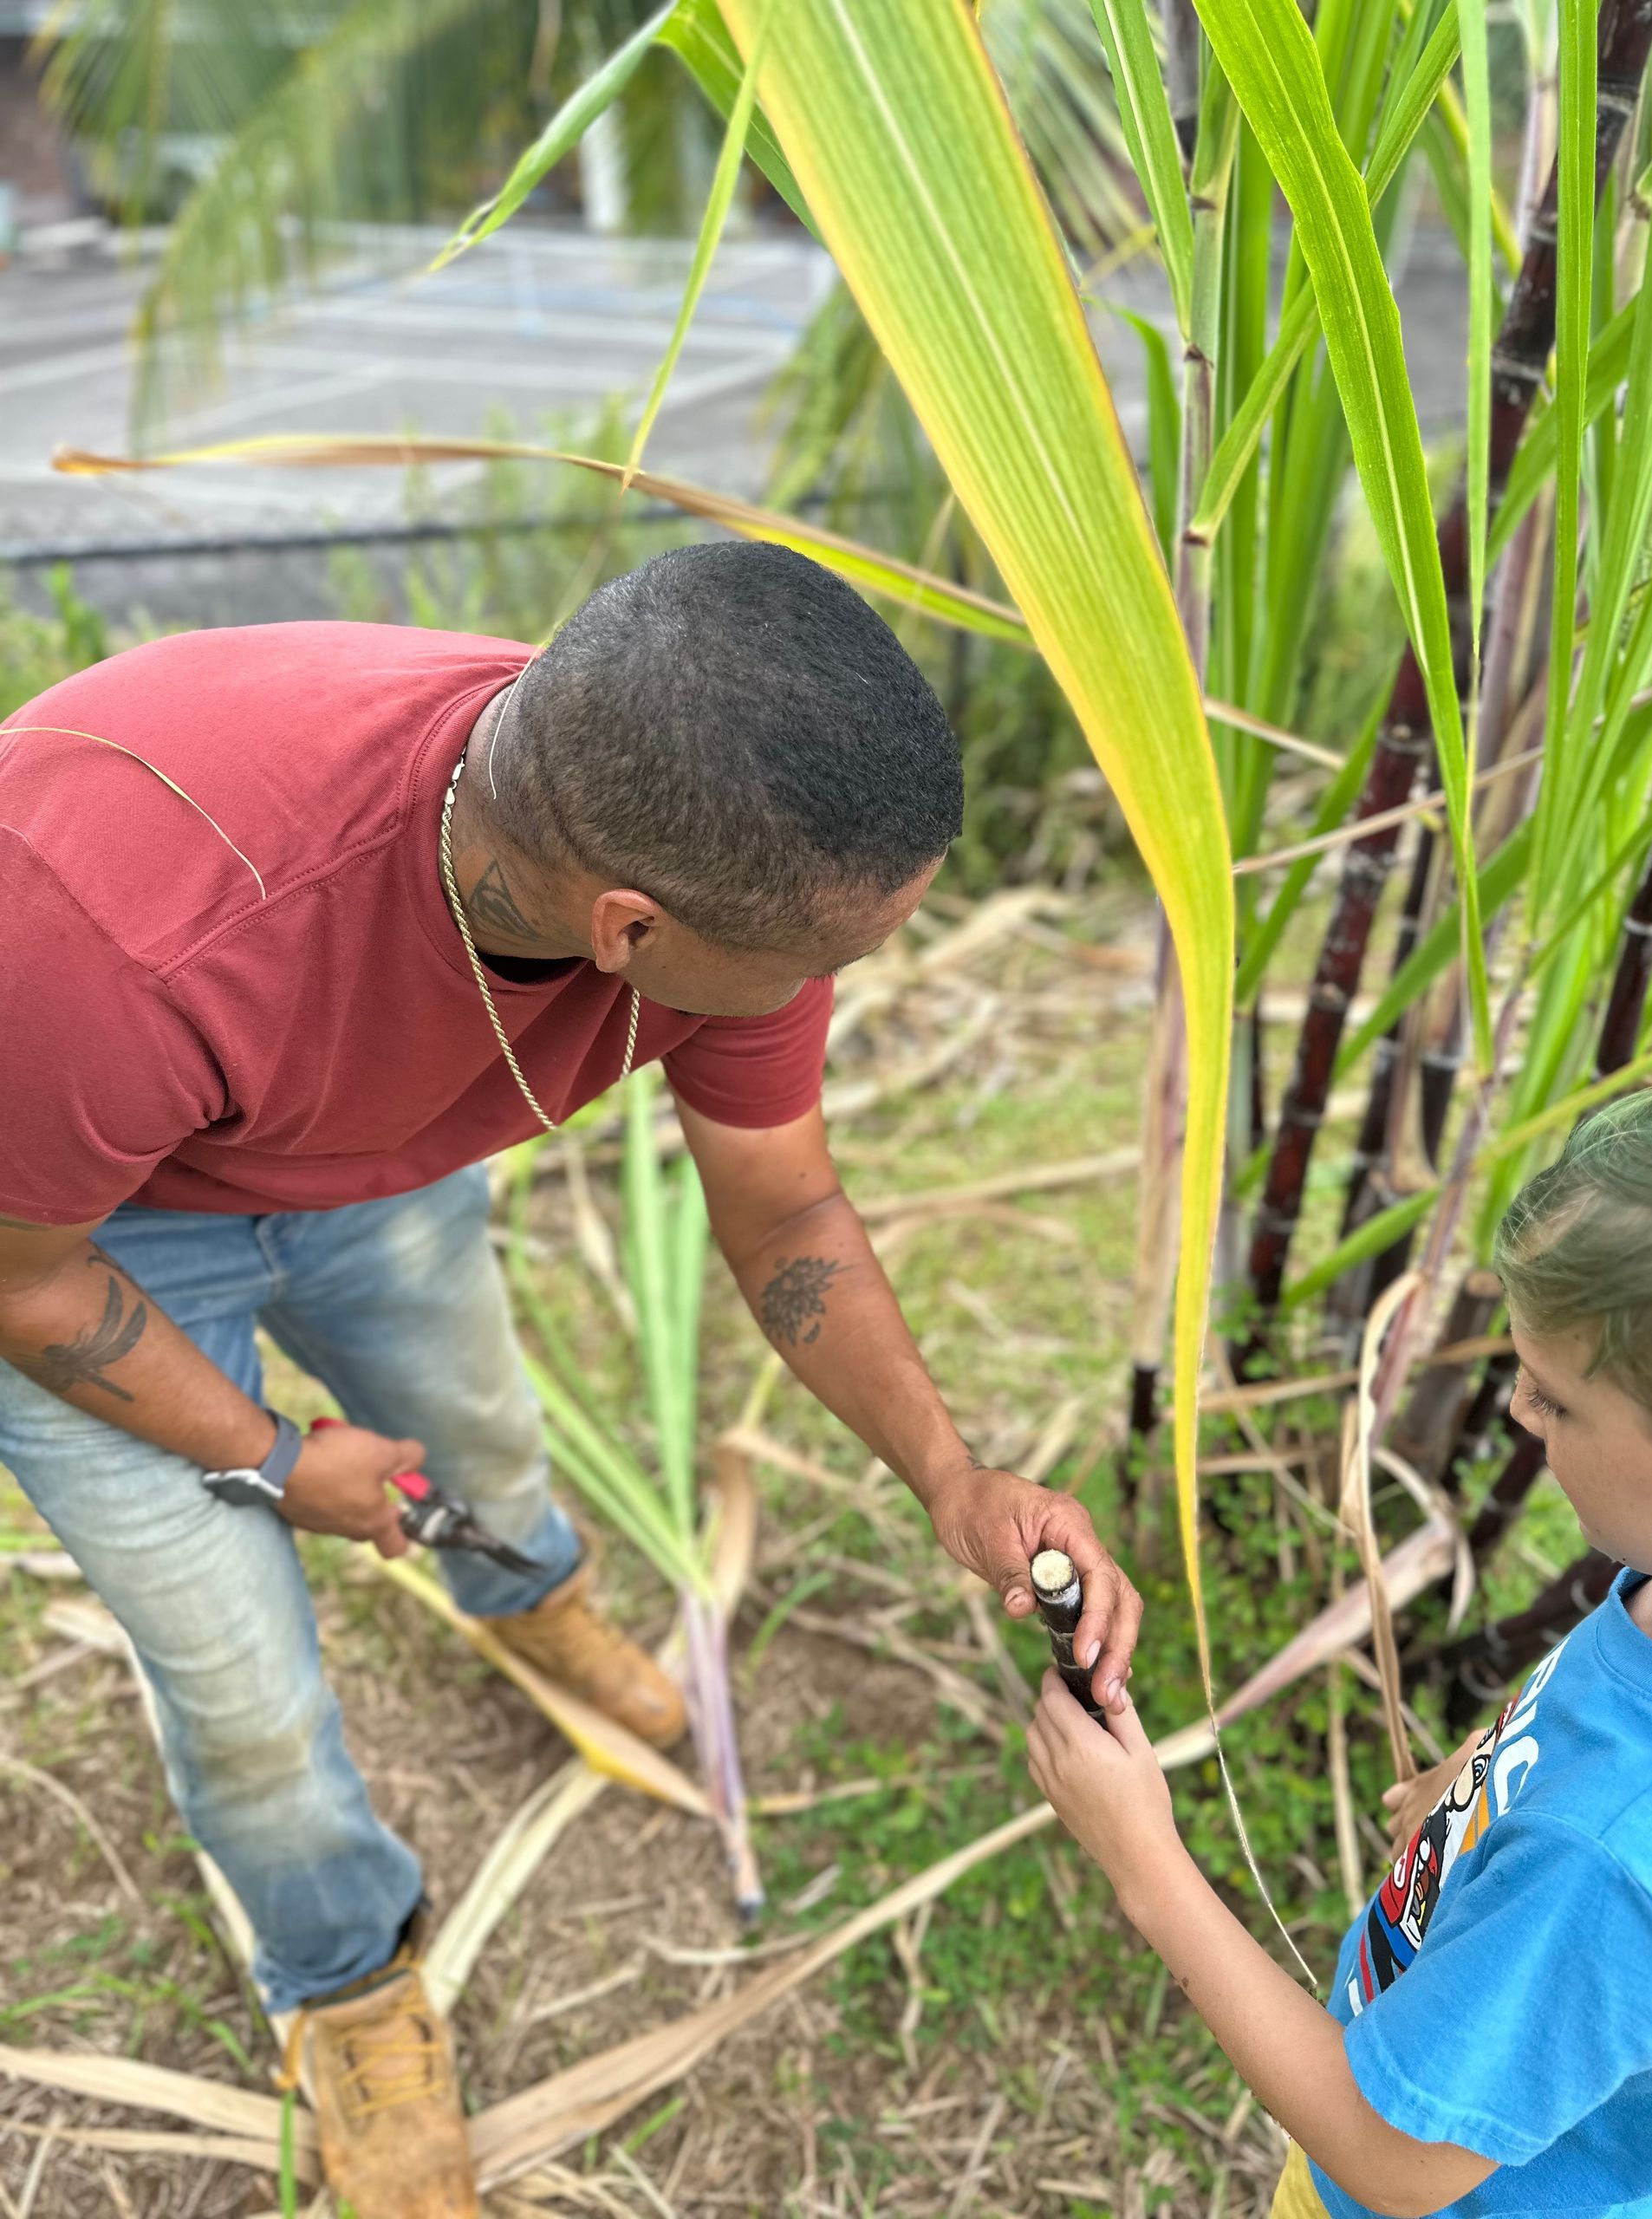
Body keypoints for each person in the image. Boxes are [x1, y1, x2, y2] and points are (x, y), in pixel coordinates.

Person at [0, 543, 1141, 2219]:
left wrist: (952, 1476)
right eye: (837, 958)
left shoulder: (689, 819)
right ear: (632, 928)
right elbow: (26, 1280)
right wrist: (272, 1456)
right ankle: (346, 1984)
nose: (847, 984)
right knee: (237, 1688)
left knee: (482, 1432)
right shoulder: (104, 930)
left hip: (353, 1163)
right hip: (82, 1223)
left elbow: (786, 1207)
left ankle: (527, 1594)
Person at [1027, 1087, 1652, 2219]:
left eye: (1559, 1403)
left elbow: (1388, 2156)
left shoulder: (1597, 1858)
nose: (1517, 1411)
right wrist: (1486, 1789)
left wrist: (1145, 1862)